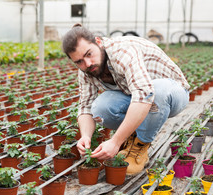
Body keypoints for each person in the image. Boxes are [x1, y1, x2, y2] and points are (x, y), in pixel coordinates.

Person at [62, 24, 190, 175]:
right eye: (79, 61)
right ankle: (133, 136)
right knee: (100, 108)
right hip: (137, 96)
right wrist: (85, 136)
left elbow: (144, 95)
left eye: (89, 54)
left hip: (172, 92)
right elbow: (85, 107)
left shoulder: (122, 51)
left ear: (98, 42)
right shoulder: (85, 70)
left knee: (155, 92)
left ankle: (140, 146)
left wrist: (116, 142)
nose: (87, 64)